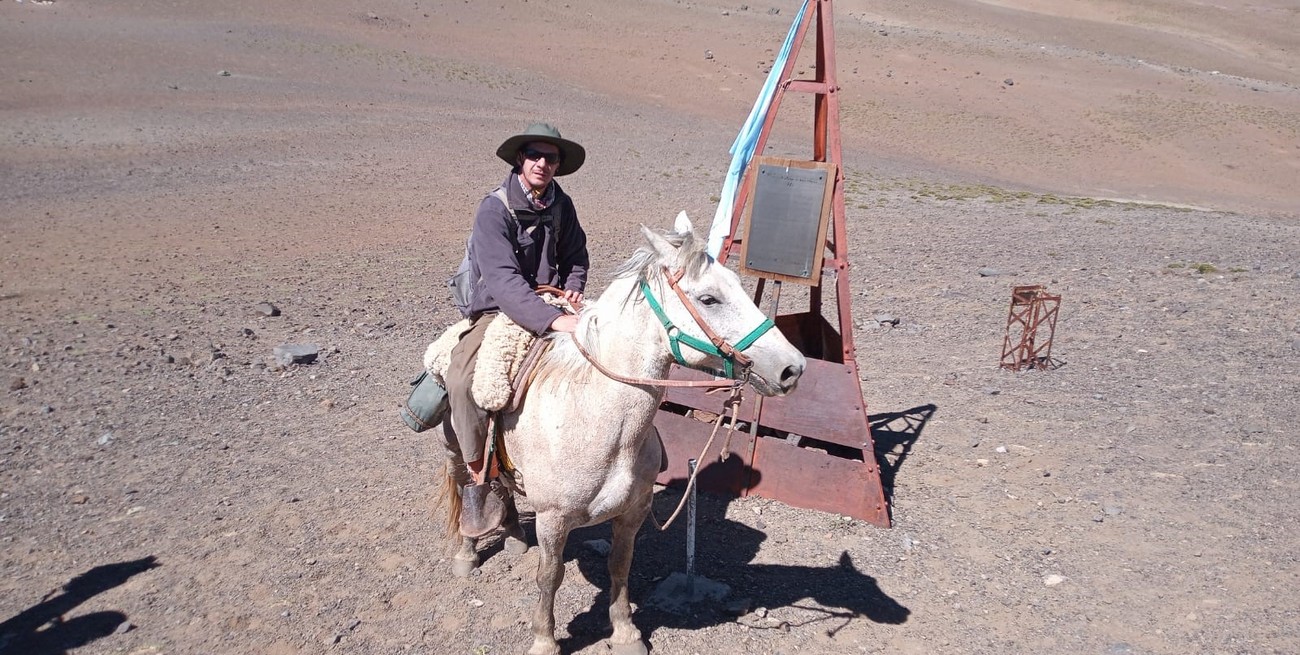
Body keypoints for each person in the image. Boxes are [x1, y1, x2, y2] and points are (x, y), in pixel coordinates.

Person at [444, 122, 589, 537]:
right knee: (463, 380)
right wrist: (552, 319)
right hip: (498, 308)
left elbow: (576, 255)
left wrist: (573, 292)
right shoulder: (494, 209)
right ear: (519, 160)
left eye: (551, 158)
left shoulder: (562, 204)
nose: (543, 163)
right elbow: (504, 280)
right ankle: (479, 472)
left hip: (552, 301)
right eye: (534, 156)